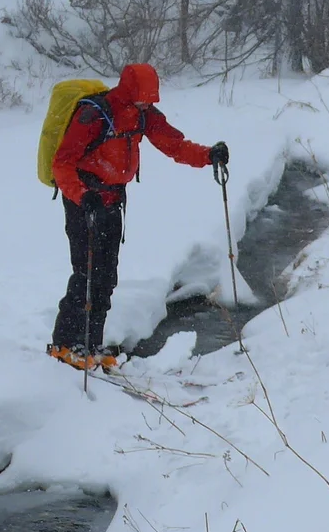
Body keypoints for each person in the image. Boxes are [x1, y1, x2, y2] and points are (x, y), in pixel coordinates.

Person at [46, 63, 228, 371]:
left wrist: (208, 155)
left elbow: (175, 146)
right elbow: (62, 163)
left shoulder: (143, 115)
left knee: (106, 276)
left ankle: (92, 345)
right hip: (85, 201)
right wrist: (82, 195)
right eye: (142, 98)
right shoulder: (95, 114)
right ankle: (65, 343)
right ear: (129, 91)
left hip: (112, 201)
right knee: (86, 273)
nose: (147, 104)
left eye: (150, 99)